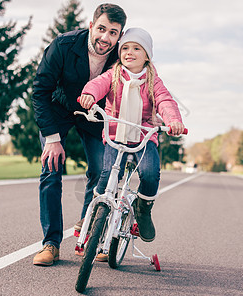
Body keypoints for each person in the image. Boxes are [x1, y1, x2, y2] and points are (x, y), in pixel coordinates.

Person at [31, 3, 127, 266]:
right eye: (102, 29)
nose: (105, 38)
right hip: (59, 109)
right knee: (51, 168)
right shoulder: (63, 45)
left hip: (95, 116)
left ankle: (86, 230)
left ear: (120, 36)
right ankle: (50, 244)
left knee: (100, 170)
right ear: (91, 26)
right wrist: (51, 139)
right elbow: (39, 90)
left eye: (114, 33)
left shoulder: (122, 56)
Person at [79, 27, 185, 242]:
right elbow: (98, 84)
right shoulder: (114, 74)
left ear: (147, 55)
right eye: (125, 47)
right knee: (107, 173)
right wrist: (89, 94)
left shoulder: (153, 80)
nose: (129, 52)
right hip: (115, 133)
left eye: (137, 48)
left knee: (149, 173)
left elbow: (164, 100)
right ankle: (96, 213)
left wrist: (173, 121)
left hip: (144, 135)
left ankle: (143, 209)